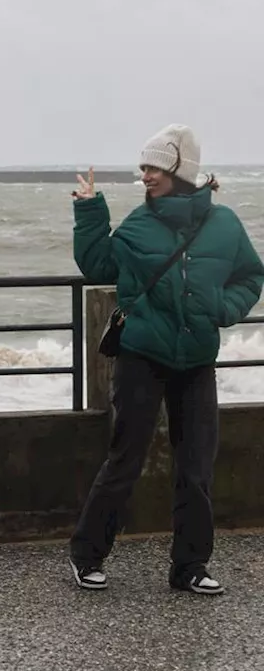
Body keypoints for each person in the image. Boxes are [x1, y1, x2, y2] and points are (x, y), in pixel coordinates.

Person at [69, 123, 263, 595]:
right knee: (125, 459)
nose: (145, 176)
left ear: (180, 169)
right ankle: (87, 556)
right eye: (143, 167)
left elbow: (250, 276)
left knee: (196, 468)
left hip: (197, 359)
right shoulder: (139, 222)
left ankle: (191, 567)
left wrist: (225, 308)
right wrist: (89, 210)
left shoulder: (224, 225)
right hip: (143, 355)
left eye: (153, 166)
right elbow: (99, 265)